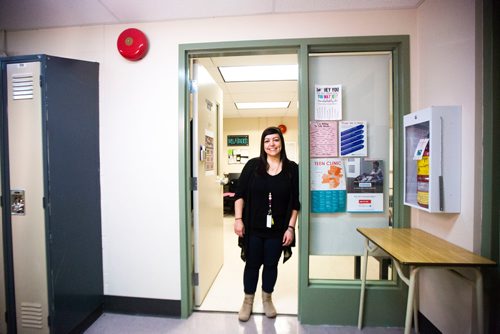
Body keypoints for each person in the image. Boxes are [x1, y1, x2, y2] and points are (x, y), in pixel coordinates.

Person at [233, 126, 300, 322]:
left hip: (278, 230)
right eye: (267, 141)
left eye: (276, 140)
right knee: (252, 264)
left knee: (271, 265)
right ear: (263, 145)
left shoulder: (292, 169)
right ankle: (247, 301)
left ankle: (267, 299)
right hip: (253, 228)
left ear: (282, 143)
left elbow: (295, 202)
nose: (272, 144)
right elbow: (240, 194)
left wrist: (290, 227)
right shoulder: (253, 166)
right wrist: (238, 220)